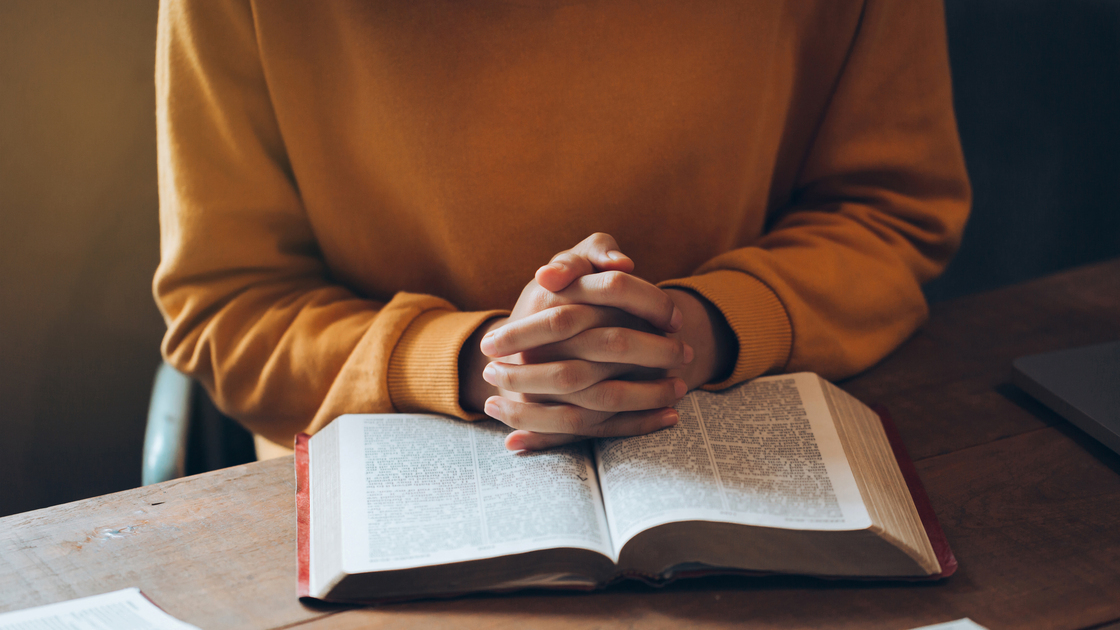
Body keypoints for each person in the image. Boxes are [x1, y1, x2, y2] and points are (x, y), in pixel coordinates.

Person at [153, 0, 970, 456]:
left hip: (741, 433)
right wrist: (483, 362)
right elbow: (229, 306)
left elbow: (890, 211)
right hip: (388, 466)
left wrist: (699, 328)